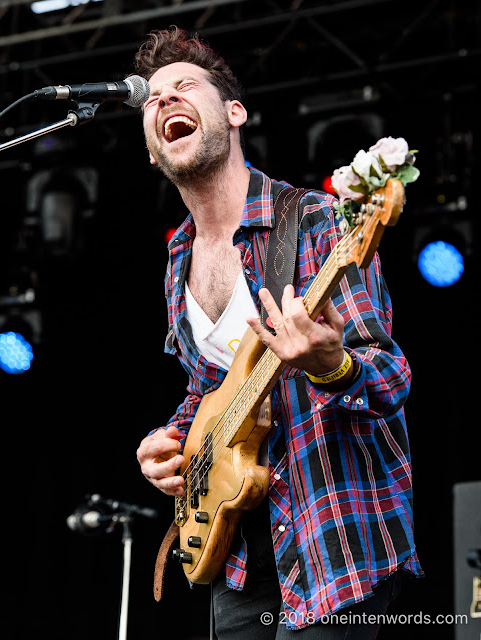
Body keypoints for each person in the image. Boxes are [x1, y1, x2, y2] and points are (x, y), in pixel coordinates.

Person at [135, 25, 423, 639]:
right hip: (236, 549)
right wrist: (176, 444)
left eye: (185, 86)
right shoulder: (177, 259)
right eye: (153, 99)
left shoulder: (315, 221)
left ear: (233, 112)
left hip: (329, 537)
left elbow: (389, 376)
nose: (165, 102)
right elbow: (208, 389)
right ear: (152, 150)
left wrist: (331, 365)